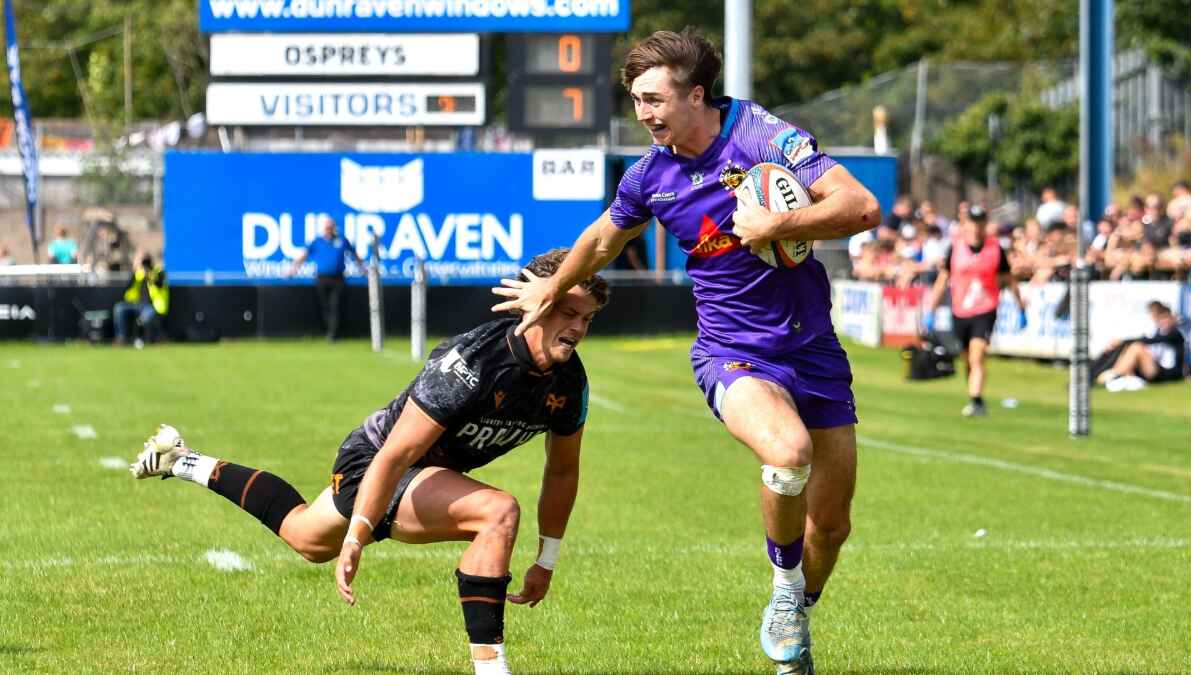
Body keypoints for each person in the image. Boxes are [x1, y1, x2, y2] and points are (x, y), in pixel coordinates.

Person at [491, 29, 880, 675]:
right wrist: (551, 290)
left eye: (652, 99)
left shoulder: (761, 136)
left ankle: (796, 623)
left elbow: (860, 205)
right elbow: (600, 240)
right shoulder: (649, 175)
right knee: (787, 456)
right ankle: (785, 593)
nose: (642, 113)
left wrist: (779, 225)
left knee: (831, 526)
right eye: (636, 101)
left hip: (814, 349)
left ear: (696, 94)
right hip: (732, 351)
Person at [129, 248, 606, 675]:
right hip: (377, 460)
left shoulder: (569, 384)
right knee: (494, 512)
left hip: (428, 475)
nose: (579, 328)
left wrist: (546, 560)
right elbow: (397, 453)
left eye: (588, 318)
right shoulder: (473, 360)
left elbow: (562, 471)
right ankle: (492, 669)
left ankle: (180, 459)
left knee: (308, 538)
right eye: (569, 312)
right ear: (535, 303)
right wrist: (359, 532)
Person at [924, 205, 1027, 417]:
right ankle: (974, 393)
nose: (976, 227)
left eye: (980, 222)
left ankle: (977, 401)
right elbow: (943, 280)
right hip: (960, 310)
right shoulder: (955, 248)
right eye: (972, 222)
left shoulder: (995, 248)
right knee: (967, 358)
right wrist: (930, 310)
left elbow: (1009, 279)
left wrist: (1020, 306)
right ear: (966, 224)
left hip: (986, 308)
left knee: (977, 355)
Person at [287, 216, 361, 341]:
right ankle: (329, 330)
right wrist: (294, 268)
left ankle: (333, 334)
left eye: (331, 227)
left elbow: (354, 255)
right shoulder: (317, 241)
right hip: (322, 278)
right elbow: (304, 255)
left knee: (335, 304)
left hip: (338, 277)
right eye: (327, 227)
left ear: (334, 228)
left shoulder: (342, 240)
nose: (328, 229)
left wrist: (363, 268)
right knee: (325, 305)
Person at [1094, 300, 1186, 390]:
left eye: (1166, 318)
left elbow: (1148, 340)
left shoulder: (1175, 334)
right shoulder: (1158, 332)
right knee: (1131, 349)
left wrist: (1122, 341)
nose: (1163, 322)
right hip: (1156, 369)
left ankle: (1114, 376)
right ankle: (1118, 377)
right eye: (1161, 319)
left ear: (1172, 318)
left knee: (1137, 347)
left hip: (1169, 373)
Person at [113, 251, 168, 346]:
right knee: (119, 308)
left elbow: (159, 284)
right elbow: (127, 286)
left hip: (152, 306)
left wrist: (149, 275)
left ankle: (146, 340)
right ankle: (122, 338)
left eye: (146, 262)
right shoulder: (138, 273)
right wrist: (135, 270)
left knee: (143, 318)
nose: (145, 264)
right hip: (136, 304)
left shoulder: (158, 272)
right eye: (143, 262)